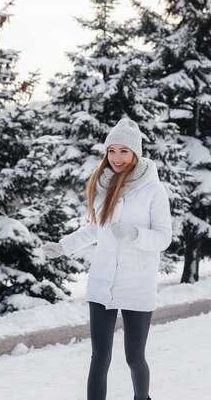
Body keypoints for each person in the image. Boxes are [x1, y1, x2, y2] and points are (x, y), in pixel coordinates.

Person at [41, 118, 172, 400]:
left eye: (123, 151)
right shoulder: (103, 185)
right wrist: (63, 247)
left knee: (134, 359)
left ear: (135, 153)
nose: (116, 158)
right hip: (102, 284)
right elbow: (94, 228)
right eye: (111, 151)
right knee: (99, 357)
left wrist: (135, 233)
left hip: (137, 284)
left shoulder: (153, 189)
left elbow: (164, 238)